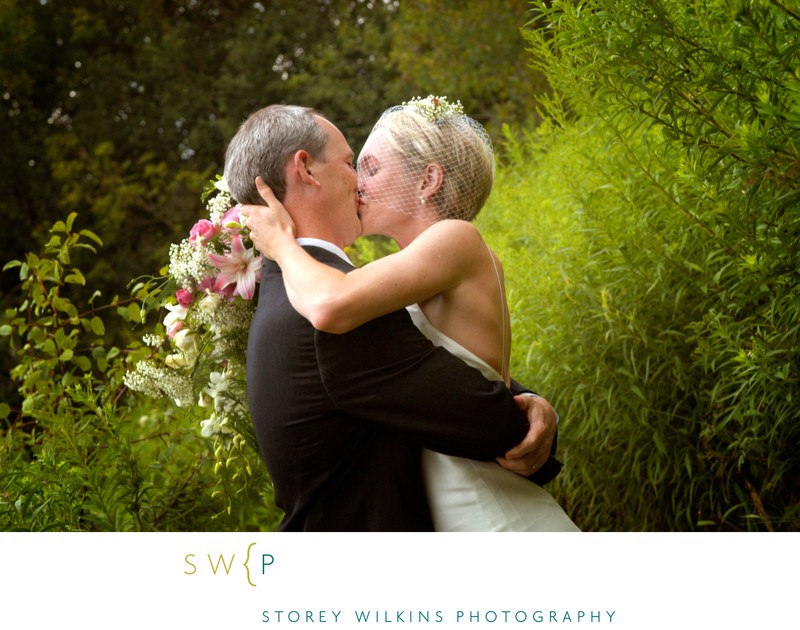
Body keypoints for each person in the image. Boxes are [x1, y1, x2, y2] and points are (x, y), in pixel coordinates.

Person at [238, 98, 578, 532]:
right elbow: (436, 366)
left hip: (484, 504)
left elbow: (330, 303)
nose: (357, 183)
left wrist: (282, 245)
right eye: (355, 167)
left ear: (428, 180)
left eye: (372, 168)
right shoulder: (402, 272)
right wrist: (527, 401)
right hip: (445, 505)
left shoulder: (455, 238)